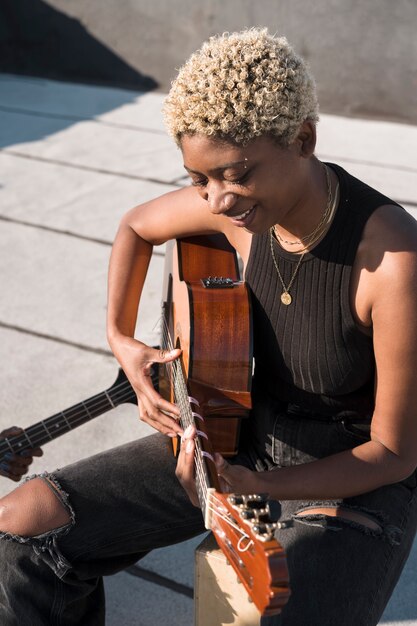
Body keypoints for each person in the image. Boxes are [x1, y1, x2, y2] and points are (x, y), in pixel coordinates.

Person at [0, 27, 416, 626]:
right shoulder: (242, 211)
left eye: (236, 174)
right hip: (235, 436)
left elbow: (395, 455)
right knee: (23, 530)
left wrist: (260, 488)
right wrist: (124, 341)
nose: (217, 201)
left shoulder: (394, 262)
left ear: (303, 139)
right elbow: (136, 227)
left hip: (351, 477)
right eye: (200, 178)